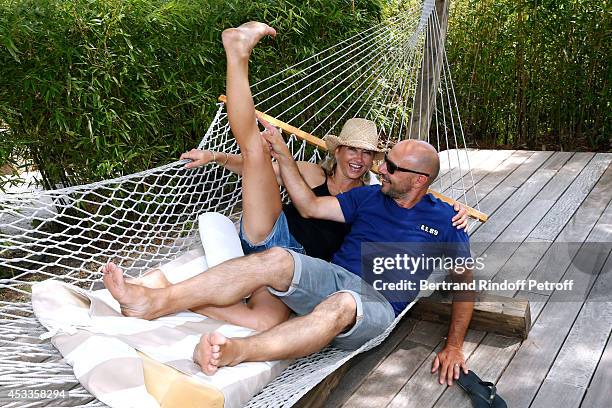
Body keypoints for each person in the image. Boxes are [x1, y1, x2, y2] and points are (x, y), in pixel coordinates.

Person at [102, 19, 474, 389]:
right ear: (338, 150)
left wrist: (455, 345)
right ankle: (156, 300)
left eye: (383, 162)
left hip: (360, 296)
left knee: (303, 312)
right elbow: (307, 204)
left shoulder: (438, 217)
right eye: (370, 156)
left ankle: (229, 346)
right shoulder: (362, 194)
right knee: (267, 213)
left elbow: (464, 282)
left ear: (420, 180)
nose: (377, 166)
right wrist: (241, 156)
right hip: (303, 259)